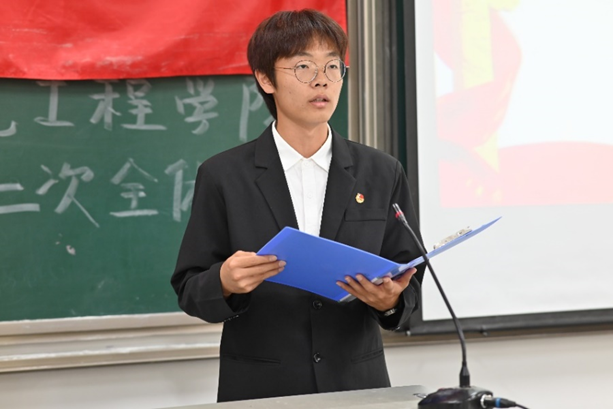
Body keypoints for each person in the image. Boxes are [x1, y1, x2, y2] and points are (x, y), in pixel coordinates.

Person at [171, 9, 425, 402]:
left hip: (357, 386)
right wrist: (225, 282)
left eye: (333, 66)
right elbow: (190, 288)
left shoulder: (381, 171)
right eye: (304, 67)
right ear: (265, 79)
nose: (322, 80)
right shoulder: (223, 175)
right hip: (261, 389)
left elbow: (410, 281)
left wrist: (391, 301)